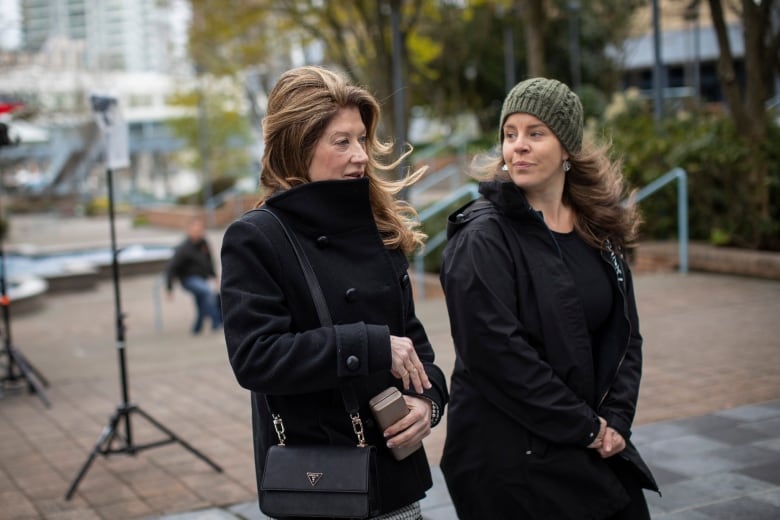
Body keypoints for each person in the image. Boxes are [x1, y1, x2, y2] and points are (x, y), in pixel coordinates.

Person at [220, 66, 448, 519]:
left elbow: (414, 344)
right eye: (341, 142)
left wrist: (429, 403)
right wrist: (368, 345)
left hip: (396, 485)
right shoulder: (256, 238)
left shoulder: (378, 228)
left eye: (361, 139)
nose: (360, 155)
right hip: (319, 485)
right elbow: (255, 357)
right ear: (297, 147)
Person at [439, 77, 658, 519]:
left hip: (586, 439)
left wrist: (616, 417)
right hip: (510, 461)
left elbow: (625, 334)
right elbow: (499, 357)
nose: (518, 145)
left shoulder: (597, 227)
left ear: (568, 149)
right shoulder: (482, 238)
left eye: (535, 133)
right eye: (510, 133)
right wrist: (586, 428)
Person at [165, 217, 222, 334]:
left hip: (202, 278)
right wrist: (169, 288)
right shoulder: (183, 248)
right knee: (208, 292)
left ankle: (197, 328)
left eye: (200, 230)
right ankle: (217, 323)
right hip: (188, 279)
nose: (199, 232)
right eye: (196, 230)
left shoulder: (203, 243)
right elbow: (171, 268)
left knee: (203, 300)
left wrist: (214, 275)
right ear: (189, 231)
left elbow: (209, 260)